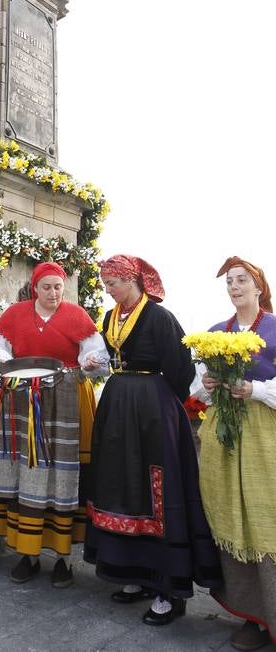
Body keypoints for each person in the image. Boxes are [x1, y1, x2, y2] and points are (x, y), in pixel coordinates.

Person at [84, 255, 222, 626]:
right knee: (121, 484)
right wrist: (98, 365)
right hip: (118, 404)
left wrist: (164, 407)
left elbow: (180, 370)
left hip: (151, 409)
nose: (106, 288)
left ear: (132, 280)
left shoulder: (160, 318)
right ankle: (133, 573)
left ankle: (167, 589)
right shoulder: (111, 317)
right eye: (105, 282)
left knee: (155, 487)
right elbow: (109, 355)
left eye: (111, 282)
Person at [0, 261, 109, 587]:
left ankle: (63, 559)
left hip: (67, 402)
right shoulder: (15, 315)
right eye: (47, 287)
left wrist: (90, 362)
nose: (53, 293)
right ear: (35, 288)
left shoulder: (77, 316)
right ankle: (28, 554)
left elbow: (96, 357)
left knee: (63, 475)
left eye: (58, 287)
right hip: (23, 402)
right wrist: (2, 361)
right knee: (26, 472)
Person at [191, 257, 276, 652]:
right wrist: (208, 381)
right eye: (229, 281)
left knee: (265, 517)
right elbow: (198, 392)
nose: (235, 286)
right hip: (225, 436)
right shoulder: (215, 334)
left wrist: (254, 390)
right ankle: (251, 616)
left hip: (263, 436)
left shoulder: (275, 330)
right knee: (231, 514)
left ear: (259, 287)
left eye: (242, 280)